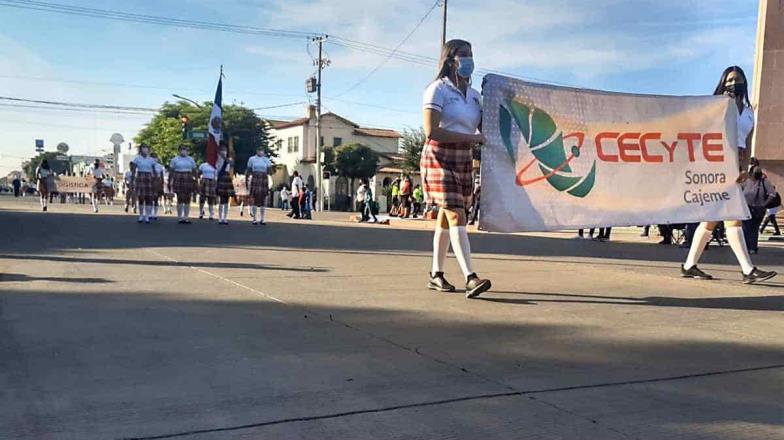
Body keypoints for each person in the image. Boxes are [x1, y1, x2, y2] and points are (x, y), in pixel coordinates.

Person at [681, 66, 776, 284]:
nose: (734, 83)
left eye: (738, 79)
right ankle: (747, 269)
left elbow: (748, 140)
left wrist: (746, 166)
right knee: (733, 216)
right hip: (720, 161)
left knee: (711, 220)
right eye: (730, 79)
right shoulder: (719, 106)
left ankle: (689, 265)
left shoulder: (749, 110)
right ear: (723, 83)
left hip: (739, 164)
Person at [421, 38, 491, 298]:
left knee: (446, 217)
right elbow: (432, 131)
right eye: (463, 54)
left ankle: (436, 274)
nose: (469, 60)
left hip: (463, 158)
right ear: (450, 59)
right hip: (439, 156)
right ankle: (470, 277)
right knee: (456, 214)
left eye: (471, 54)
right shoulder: (437, 90)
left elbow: (486, 129)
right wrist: (472, 139)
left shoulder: (475, 96)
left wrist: (495, 98)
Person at [742, 166, 777, 254]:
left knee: (754, 228)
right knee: (746, 228)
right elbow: (739, 190)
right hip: (747, 207)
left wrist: (764, 204)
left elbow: (772, 194)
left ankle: (752, 247)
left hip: (759, 209)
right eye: (753, 175)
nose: (754, 177)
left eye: (756, 175)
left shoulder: (765, 182)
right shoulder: (746, 181)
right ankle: (746, 247)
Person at [168, 145, 197, 224]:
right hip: (178, 177)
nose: (183, 150)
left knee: (187, 198)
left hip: (188, 177)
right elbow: (171, 171)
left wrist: (196, 181)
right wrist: (169, 181)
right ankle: (180, 217)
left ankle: (186, 217)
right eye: (182, 149)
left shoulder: (191, 159)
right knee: (180, 197)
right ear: (179, 150)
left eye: (185, 149)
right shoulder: (175, 159)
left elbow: (194, 170)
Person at [245, 147, 273, 225]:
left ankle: (262, 219)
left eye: (262, 150)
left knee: (263, 199)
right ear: (256, 151)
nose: (260, 152)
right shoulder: (252, 159)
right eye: (259, 150)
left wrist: (268, 167)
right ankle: (254, 219)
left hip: (263, 178)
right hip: (255, 177)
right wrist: (247, 181)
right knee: (254, 198)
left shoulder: (266, 160)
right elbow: (248, 170)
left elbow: (270, 171)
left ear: (263, 152)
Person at [132, 144, 158, 224]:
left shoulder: (151, 159)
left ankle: (147, 216)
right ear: (140, 149)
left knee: (149, 198)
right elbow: (133, 170)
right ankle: (141, 215)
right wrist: (132, 182)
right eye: (143, 148)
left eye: (146, 148)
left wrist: (155, 181)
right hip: (140, 176)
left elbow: (154, 171)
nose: (145, 149)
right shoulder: (137, 159)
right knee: (141, 197)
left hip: (149, 177)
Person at [215, 145, 235, 225]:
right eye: (222, 149)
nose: (224, 151)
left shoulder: (229, 159)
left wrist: (229, 156)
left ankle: (225, 217)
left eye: (225, 149)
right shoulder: (217, 159)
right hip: (220, 177)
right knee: (221, 199)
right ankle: (220, 217)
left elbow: (232, 163)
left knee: (226, 199)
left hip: (227, 177)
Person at [150, 153, 166, 220]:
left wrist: (162, 185)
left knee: (156, 199)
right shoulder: (148, 165)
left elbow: (162, 176)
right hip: (149, 181)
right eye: (153, 157)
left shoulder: (160, 166)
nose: (154, 158)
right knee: (149, 198)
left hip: (157, 182)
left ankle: (155, 214)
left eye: (155, 157)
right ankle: (149, 213)